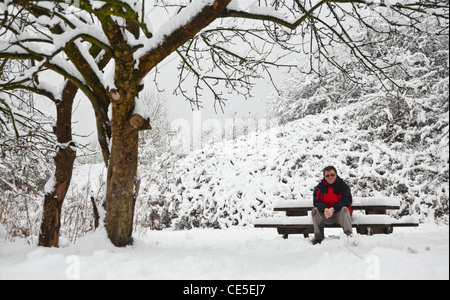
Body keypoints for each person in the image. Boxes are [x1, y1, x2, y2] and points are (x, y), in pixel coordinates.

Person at [311, 166, 353, 245]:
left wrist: (333, 209)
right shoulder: (320, 187)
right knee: (314, 211)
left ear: (336, 174)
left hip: (339, 215)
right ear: (324, 177)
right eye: (327, 175)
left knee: (345, 209)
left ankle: (348, 236)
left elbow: (346, 200)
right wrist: (325, 210)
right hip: (325, 215)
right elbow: (317, 201)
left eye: (332, 175)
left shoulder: (343, 186)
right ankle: (318, 238)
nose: (330, 177)